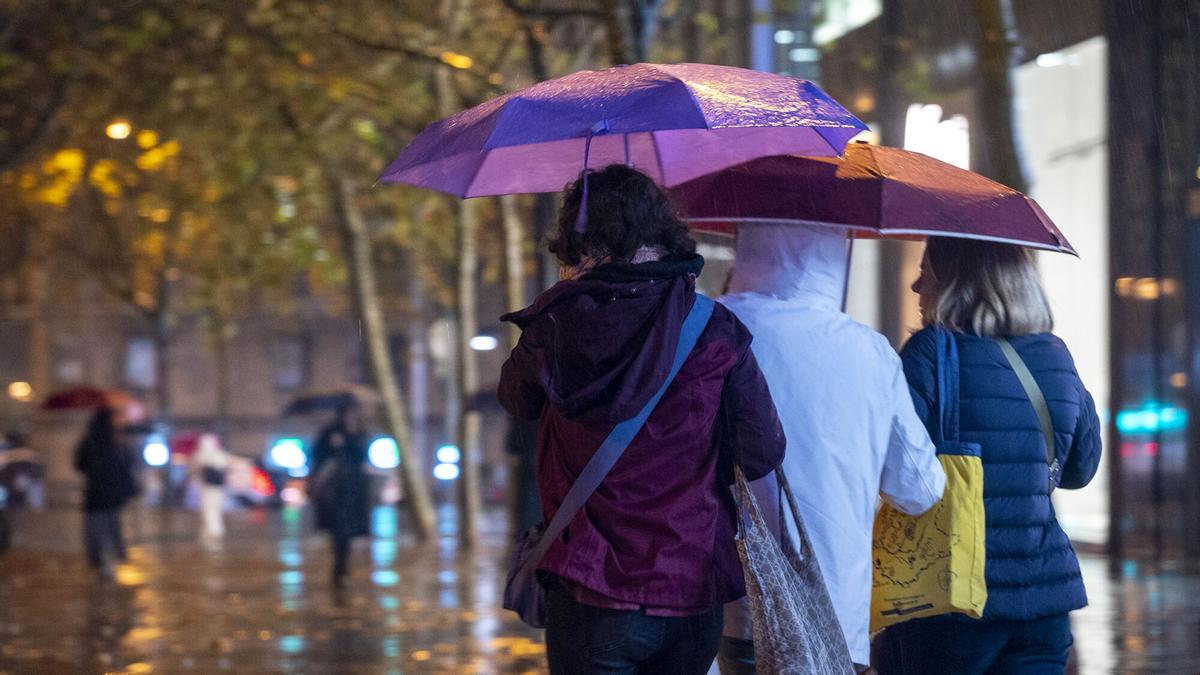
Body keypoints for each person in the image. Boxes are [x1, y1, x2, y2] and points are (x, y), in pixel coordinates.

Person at [499, 164, 787, 675]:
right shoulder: (715, 330)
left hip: (590, 589)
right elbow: (762, 450)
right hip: (692, 590)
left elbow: (516, 401)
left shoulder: (556, 324)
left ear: (580, 240)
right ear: (662, 230)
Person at [715, 224, 946, 672]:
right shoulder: (869, 351)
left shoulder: (710, 327)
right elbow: (919, 489)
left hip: (731, 603)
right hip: (834, 613)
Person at [873, 239, 1102, 674]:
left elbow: (896, 469)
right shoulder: (1055, 355)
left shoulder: (932, 352)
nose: (916, 285)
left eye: (929, 272)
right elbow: (1080, 469)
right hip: (1044, 602)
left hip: (954, 599)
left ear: (958, 283)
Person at [74, 407, 138, 579]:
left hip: (95, 494)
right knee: (112, 526)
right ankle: (114, 557)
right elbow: (126, 467)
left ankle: (103, 560)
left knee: (98, 528)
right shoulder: (115, 442)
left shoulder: (90, 442)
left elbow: (80, 465)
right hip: (112, 495)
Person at [310, 403, 370, 588]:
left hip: (352, 490)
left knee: (347, 531)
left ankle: (343, 562)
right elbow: (317, 454)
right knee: (338, 530)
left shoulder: (357, 434)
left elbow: (361, 457)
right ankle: (339, 562)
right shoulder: (329, 433)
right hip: (334, 491)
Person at [191, 433, 230, 540]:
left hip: (211, 486)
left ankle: (214, 529)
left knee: (211, 508)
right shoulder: (215, 454)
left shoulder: (203, 455)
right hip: (211, 486)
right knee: (211, 508)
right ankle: (213, 529)